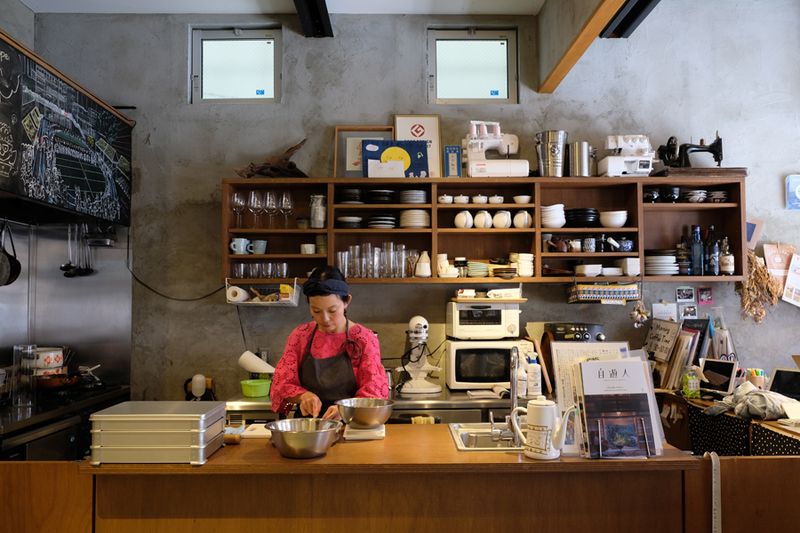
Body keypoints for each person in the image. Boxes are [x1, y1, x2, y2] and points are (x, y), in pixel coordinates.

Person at [270, 265, 388, 419]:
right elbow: (282, 384)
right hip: (310, 427)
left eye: (332, 310)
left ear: (346, 302)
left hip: (353, 424)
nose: (324, 319)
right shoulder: (300, 336)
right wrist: (303, 396)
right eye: (316, 311)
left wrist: (345, 409)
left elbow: (374, 391)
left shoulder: (364, 339)